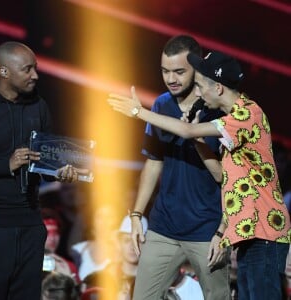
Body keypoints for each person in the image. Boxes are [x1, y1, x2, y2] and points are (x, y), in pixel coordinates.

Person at [107, 50, 291, 299]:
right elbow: (223, 177)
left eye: (202, 86)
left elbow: (184, 130)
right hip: (249, 233)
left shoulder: (247, 116)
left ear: (218, 88)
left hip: (264, 234)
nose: (198, 92)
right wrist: (222, 231)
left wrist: (139, 112)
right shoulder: (234, 119)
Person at [111, 35, 231, 300]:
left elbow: (228, 178)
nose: (170, 78)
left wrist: (223, 230)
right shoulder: (161, 105)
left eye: (179, 71)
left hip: (207, 229)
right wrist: (136, 216)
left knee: (217, 296)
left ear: (197, 69)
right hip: (163, 227)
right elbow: (153, 163)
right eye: (165, 71)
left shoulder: (220, 110)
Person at [0, 41, 79, 300]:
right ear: (4, 72)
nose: (35, 75)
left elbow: (47, 158)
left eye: (36, 68)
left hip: (30, 221)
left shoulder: (38, 106)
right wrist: (6, 164)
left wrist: (59, 171)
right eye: (27, 69)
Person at [41, 207, 80, 283]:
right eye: (47, 233)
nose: (52, 238)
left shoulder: (68, 266)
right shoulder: (21, 265)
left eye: (55, 232)